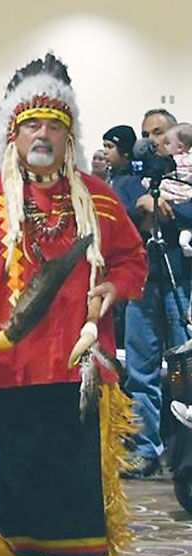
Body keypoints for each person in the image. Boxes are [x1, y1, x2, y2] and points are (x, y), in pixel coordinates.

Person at [0, 53, 147, 556]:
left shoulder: (97, 198)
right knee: (13, 472)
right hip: (4, 365)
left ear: (69, 137)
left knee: (79, 477)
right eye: (32, 125)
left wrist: (113, 288)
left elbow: (131, 259)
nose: (43, 134)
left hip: (79, 368)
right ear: (14, 136)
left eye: (54, 125)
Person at [118, 113, 191, 479]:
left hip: (183, 284)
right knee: (140, 370)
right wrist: (145, 203)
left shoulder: (185, 178)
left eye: (160, 135)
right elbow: (122, 214)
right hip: (142, 285)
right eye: (146, 136)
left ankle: (185, 455)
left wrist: (171, 206)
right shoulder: (132, 181)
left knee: (186, 371)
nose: (153, 143)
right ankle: (147, 449)